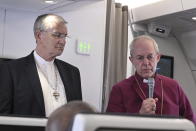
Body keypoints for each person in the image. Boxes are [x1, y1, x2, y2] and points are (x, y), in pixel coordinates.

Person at [0, 14, 82, 117]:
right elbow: (3, 117)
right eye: (57, 35)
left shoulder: (72, 72)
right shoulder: (11, 70)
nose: (63, 41)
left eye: (64, 36)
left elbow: (78, 115)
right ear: (39, 35)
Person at [106, 35, 196, 124]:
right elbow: (110, 126)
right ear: (132, 60)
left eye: (150, 57)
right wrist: (139, 116)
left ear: (157, 58)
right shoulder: (119, 90)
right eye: (140, 58)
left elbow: (191, 122)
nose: (146, 63)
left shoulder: (173, 86)